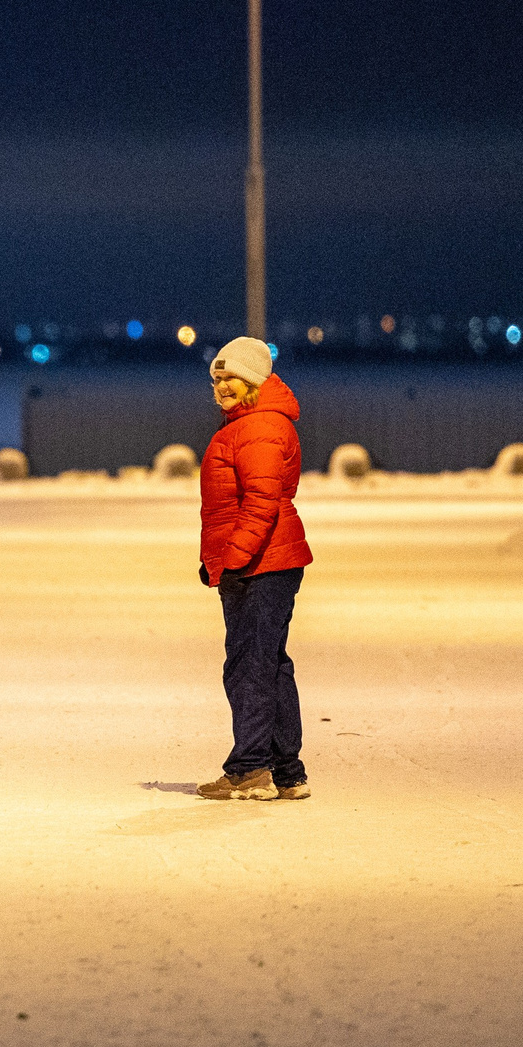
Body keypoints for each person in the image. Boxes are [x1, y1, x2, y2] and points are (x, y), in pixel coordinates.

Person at [195, 335, 315, 802]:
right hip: (263, 562)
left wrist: (233, 560)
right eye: (217, 379)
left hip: (262, 564)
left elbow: (261, 504)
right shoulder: (248, 424)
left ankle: (250, 770)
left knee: (249, 666)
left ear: (253, 381)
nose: (221, 387)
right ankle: (287, 771)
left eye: (231, 379)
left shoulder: (260, 427)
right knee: (268, 665)